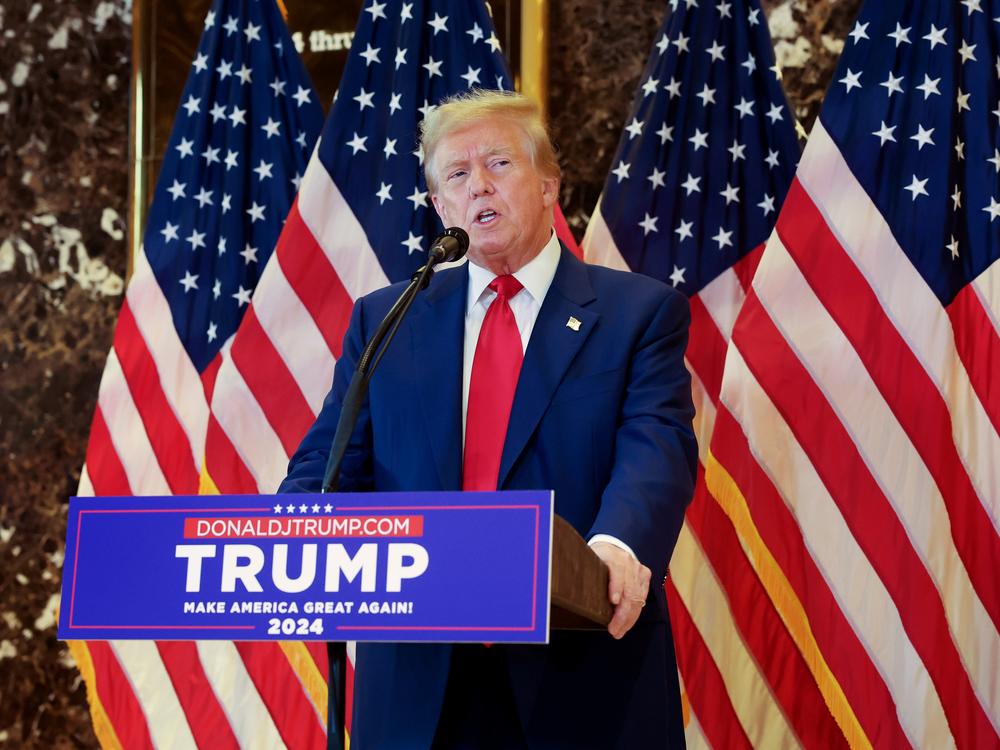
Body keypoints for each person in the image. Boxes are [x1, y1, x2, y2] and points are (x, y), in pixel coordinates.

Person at [280, 90, 697, 749]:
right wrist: (289, 533)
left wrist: (617, 547)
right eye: (457, 174)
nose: (478, 185)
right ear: (442, 208)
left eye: (499, 163)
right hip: (420, 674)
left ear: (548, 186)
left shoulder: (637, 315)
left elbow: (657, 446)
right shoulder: (389, 318)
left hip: (577, 660)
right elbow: (329, 460)